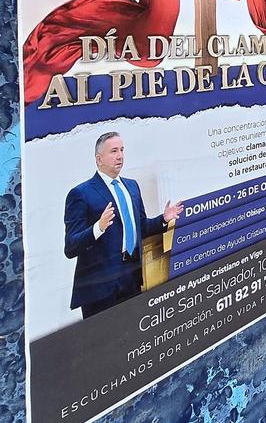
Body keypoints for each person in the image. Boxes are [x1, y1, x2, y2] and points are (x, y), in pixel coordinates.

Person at [64, 132, 181, 317]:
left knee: (132, 338)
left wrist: (163, 219)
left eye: (122, 150)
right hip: (100, 288)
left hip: (132, 277)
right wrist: (98, 227)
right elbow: (71, 247)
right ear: (99, 159)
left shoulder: (132, 187)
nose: (120, 156)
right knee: (104, 343)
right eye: (113, 151)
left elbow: (140, 228)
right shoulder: (80, 194)